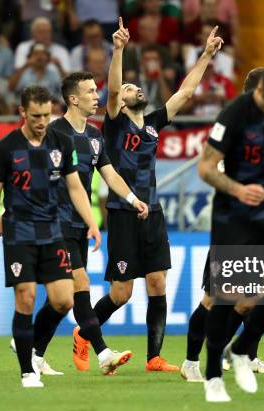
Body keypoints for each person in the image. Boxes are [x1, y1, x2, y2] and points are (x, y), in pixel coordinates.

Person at [90, 18, 222, 373]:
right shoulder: (115, 121)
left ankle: (154, 358)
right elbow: (114, 91)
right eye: (131, 87)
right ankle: (84, 333)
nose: (134, 89)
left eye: (136, 87)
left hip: (154, 212)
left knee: (157, 281)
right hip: (120, 211)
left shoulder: (152, 125)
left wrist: (206, 55)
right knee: (121, 293)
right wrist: (118, 50)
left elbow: (185, 92)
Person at [180, 67, 264, 386]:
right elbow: (208, 169)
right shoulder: (234, 121)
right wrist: (239, 189)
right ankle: (191, 361)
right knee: (215, 300)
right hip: (234, 222)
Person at [0, 85, 101, 388]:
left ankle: (29, 344)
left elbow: (75, 187)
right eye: (36, 115)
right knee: (26, 298)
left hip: (53, 232)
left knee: (63, 301)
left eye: (47, 115)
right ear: (22, 112)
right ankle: (27, 371)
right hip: (20, 234)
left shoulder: (61, 142)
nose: (42, 121)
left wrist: (92, 223)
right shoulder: (5, 149)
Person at [50, 72, 149, 374]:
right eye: (91, 92)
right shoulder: (54, 133)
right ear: (73, 99)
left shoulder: (94, 137)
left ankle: (34, 352)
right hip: (54, 221)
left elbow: (110, 174)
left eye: (96, 90)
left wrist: (133, 200)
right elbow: (35, 175)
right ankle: (103, 353)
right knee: (80, 285)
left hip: (80, 224)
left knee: (62, 299)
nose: (97, 96)